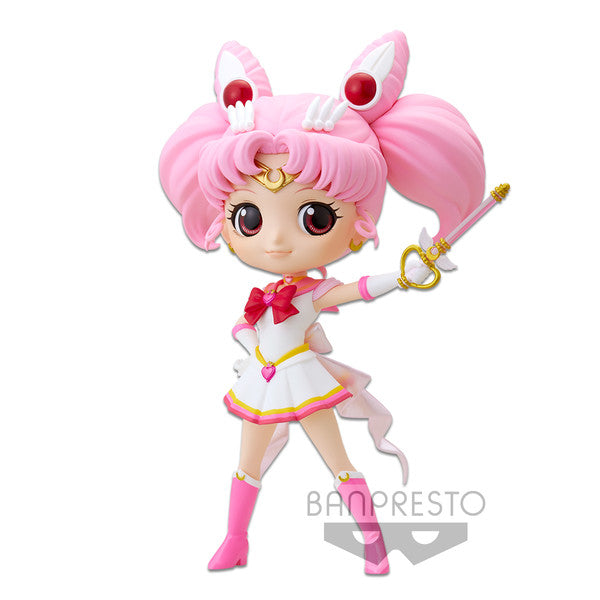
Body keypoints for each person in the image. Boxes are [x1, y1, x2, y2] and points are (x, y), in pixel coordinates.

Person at [159, 31, 485, 574]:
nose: (275, 241)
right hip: (261, 379)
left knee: (339, 462)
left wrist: (404, 276)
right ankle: (235, 540)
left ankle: (374, 544)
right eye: (248, 217)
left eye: (314, 217)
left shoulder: (309, 292)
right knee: (246, 462)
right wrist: (247, 341)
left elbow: (357, 290)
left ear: (357, 222)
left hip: (302, 380)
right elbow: (248, 325)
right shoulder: (265, 295)